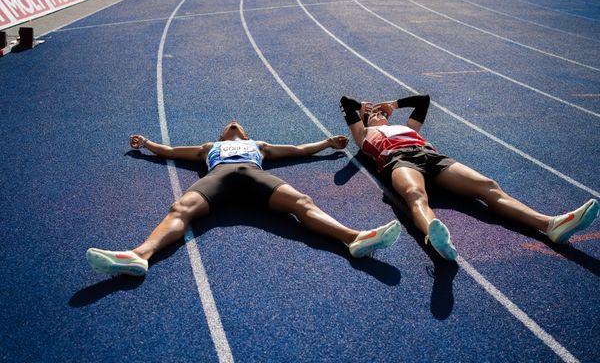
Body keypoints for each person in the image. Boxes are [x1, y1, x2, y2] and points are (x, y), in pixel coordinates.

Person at [86, 120, 401, 276]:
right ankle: (140, 255)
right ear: (222, 137)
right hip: (218, 177)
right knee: (180, 208)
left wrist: (327, 143)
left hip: (254, 174)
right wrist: (146, 143)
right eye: (227, 126)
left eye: (237, 124)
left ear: (246, 135)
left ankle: (354, 239)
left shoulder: (259, 146)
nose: (233, 122)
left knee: (302, 202)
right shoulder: (209, 148)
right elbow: (169, 152)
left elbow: (298, 150)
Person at [339, 94, 599, 260]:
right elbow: (345, 102)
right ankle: (435, 235)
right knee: (415, 196)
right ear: (362, 121)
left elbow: (424, 100)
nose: (378, 113)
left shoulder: (408, 128)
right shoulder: (363, 137)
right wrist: (362, 107)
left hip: (432, 157)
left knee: (488, 186)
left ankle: (550, 224)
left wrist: (393, 104)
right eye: (371, 114)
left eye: (380, 111)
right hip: (398, 161)